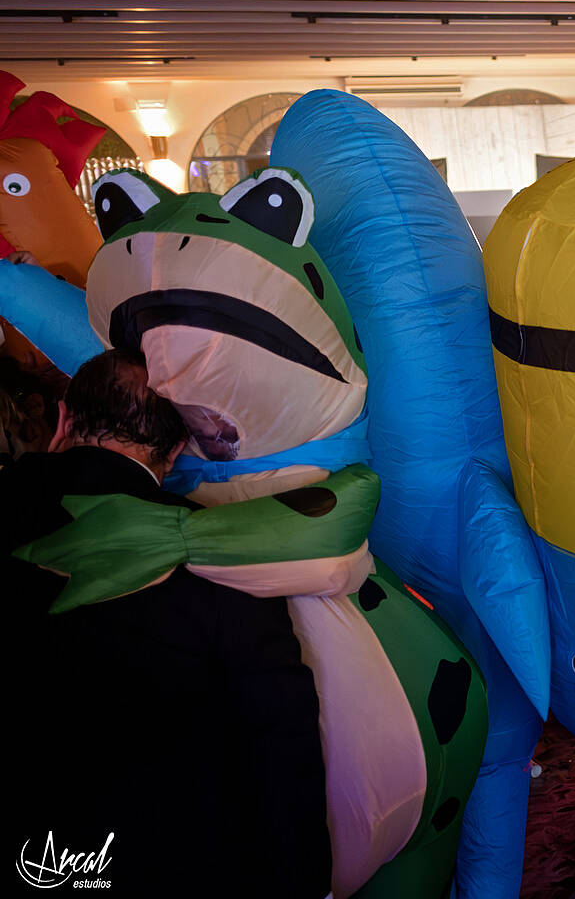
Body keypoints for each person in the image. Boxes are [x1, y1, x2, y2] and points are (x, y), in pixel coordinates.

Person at [2, 349, 331, 898]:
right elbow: (279, 729)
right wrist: (307, 882)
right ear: (176, 450)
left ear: (64, 418)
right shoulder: (217, 548)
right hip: (163, 861)